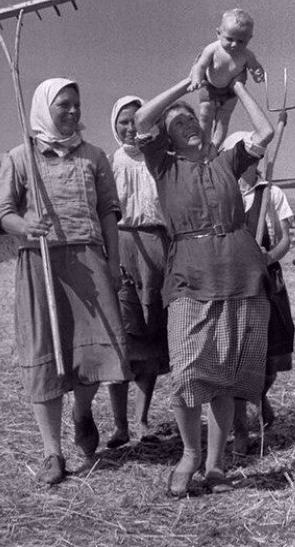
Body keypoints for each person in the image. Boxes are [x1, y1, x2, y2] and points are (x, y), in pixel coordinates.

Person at [134, 75, 275, 497]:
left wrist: (237, 86)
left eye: (191, 119)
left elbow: (265, 132)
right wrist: (187, 83)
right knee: (187, 372)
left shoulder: (226, 161)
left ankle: (216, 465)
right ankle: (190, 454)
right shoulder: (163, 165)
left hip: (240, 272)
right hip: (189, 277)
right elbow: (142, 120)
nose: (188, 125)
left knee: (225, 376)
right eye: (178, 124)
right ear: (168, 139)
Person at [0, 78, 132, 486]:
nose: (73, 111)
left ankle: (82, 411)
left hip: (87, 260)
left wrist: (113, 262)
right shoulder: (20, 157)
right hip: (40, 263)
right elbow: (2, 213)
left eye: (76, 105)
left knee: (93, 353)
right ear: (43, 109)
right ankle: (52, 452)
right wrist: (25, 225)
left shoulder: (94, 156)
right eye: (63, 105)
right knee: (45, 354)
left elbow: (108, 212)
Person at [221, 132, 295, 455]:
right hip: (231, 284)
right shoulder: (221, 193)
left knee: (268, 359)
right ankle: (240, 431)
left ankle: (261, 397)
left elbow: (285, 240)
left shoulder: (271, 193)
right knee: (235, 360)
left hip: (266, 282)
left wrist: (267, 258)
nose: (244, 161)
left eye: (250, 156)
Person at [106, 96, 170, 447]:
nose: (131, 128)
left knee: (150, 337)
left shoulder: (159, 159)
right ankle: (120, 425)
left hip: (158, 248)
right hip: (121, 246)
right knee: (123, 339)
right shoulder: (109, 163)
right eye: (124, 122)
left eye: (137, 120)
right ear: (115, 126)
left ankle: (142, 420)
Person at [188, 8, 265, 149]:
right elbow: (200, 66)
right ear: (218, 33)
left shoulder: (247, 55)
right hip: (209, 86)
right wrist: (196, 80)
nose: (234, 45)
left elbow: (255, 67)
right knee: (205, 115)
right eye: (229, 39)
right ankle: (204, 143)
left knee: (223, 119)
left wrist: (258, 74)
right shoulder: (212, 49)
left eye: (241, 41)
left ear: (249, 39)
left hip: (230, 91)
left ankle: (215, 145)